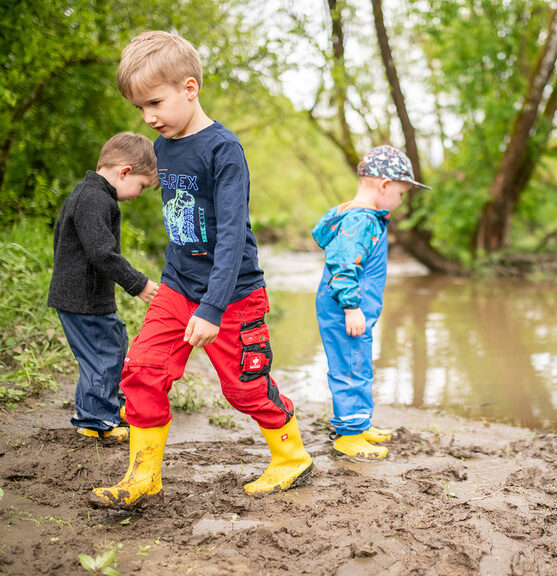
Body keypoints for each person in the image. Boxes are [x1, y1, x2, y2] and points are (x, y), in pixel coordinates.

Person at [90, 31, 313, 508]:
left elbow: (232, 234)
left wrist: (212, 307)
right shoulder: (162, 147)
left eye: (155, 102)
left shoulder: (223, 149)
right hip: (177, 286)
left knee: (245, 387)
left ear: (189, 89)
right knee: (143, 369)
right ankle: (143, 475)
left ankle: (291, 458)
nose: (149, 117)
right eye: (139, 109)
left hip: (231, 295)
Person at [313, 145, 431, 459]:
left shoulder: (360, 217)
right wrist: (351, 307)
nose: (401, 201)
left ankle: (357, 424)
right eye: (401, 194)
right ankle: (349, 436)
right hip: (345, 309)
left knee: (359, 363)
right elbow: (343, 265)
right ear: (384, 186)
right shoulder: (359, 221)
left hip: (350, 308)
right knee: (351, 368)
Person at [48, 132, 159, 442]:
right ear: (124, 172)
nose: (139, 194)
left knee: (114, 341)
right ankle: (95, 419)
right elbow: (101, 253)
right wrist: (138, 284)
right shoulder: (94, 199)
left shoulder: (92, 196)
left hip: (86, 296)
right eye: (141, 186)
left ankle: (109, 405)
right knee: (102, 354)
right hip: (82, 298)